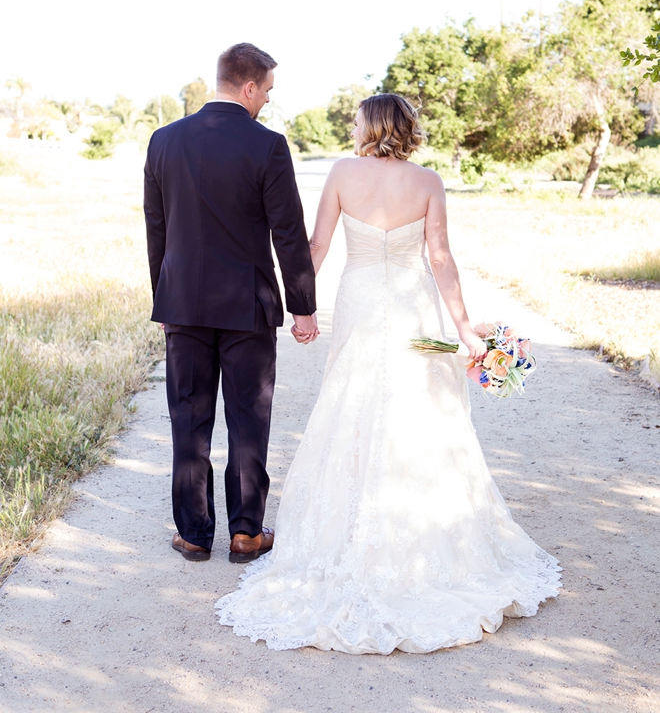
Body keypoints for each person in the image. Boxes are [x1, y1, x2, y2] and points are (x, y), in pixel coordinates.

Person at [216, 93, 561, 654]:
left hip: (359, 296)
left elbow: (318, 245)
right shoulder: (427, 181)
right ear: (407, 127)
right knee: (418, 408)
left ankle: (346, 533)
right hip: (410, 300)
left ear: (368, 126)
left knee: (354, 400)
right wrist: (466, 329)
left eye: (355, 120)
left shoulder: (343, 173)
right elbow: (441, 258)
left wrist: (298, 305)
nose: (352, 127)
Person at [144, 42, 318, 565]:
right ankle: (245, 534)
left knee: (188, 423)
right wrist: (303, 306)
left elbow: (157, 228)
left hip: (184, 305)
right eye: (266, 90)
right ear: (248, 87)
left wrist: (164, 297)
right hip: (248, 307)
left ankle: (195, 535)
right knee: (248, 420)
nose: (267, 100)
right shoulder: (268, 146)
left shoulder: (163, 141)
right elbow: (288, 233)